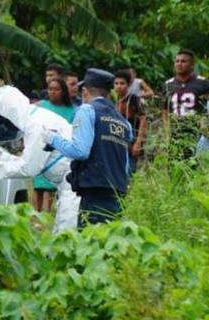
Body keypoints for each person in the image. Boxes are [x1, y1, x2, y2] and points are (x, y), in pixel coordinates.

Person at [0, 86, 80, 231]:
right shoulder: (36, 116)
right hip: (70, 182)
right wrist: (2, 157)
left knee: (66, 235)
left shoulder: (36, 125)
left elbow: (30, 168)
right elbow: (30, 159)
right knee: (61, 233)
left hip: (74, 184)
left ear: (10, 113)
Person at [46, 68, 132, 228]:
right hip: (118, 191)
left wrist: (52, 138)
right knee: (109, 243)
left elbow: (80, 151)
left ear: (85, 91)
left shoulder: (87, 110)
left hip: (94, 190)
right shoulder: (123, 122)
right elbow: (125, 163)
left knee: (91, 242)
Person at [32, 77, 77, 212]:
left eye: (56, 89)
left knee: (50, 185)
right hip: (40, 148)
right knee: (38, 183)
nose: (52, 92)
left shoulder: (72, 111)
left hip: (58, 152)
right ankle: (35, 215)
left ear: (63, 91)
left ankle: (46, 213)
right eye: (50, 89)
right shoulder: (41, 106)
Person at [162, 50, 209, 157]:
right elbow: (165, 109)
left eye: (183, 61)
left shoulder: (203, 83)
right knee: (175, 164)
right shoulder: (167, 84)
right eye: (177, 61)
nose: (179, 64)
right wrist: (166, 131)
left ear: (192, 65)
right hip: (175, 132)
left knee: (196, 165)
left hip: (197, 131)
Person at [114, 69, 147, 172]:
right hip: (117, 140)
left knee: (130, 171)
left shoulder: (133, 99)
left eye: (122, 83)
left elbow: (143, 119)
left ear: (128, 85)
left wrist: (138, 142)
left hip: (131, 141)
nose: (119, 86)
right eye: (116, 83)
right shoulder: (113, 100)